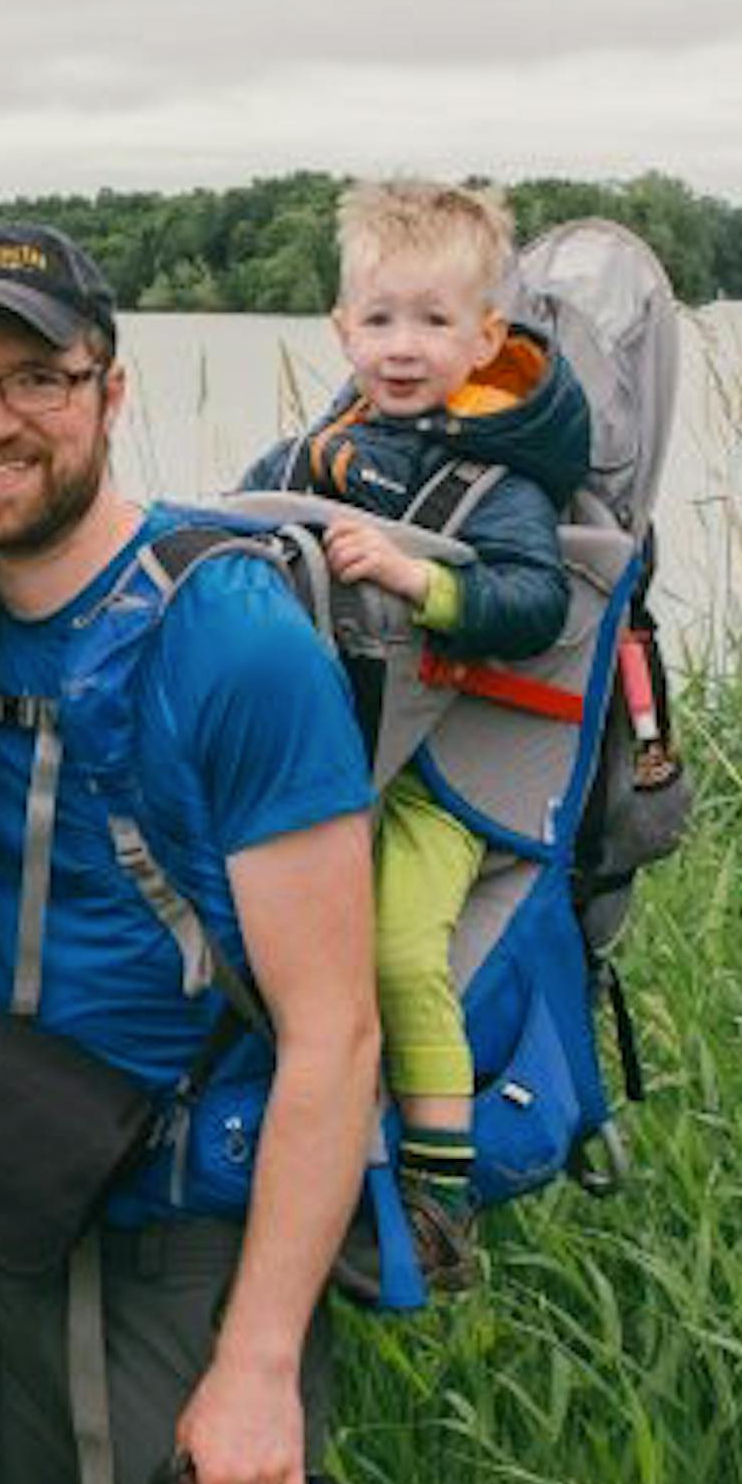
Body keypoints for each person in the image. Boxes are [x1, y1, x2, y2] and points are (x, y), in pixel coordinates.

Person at [0, 221, 381, 1484]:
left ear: (109, 390)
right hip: (0, 1227)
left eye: (37, 374)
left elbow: (335, 1028)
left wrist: (261, 1361)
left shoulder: (228, 634)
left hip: (193, 1253)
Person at [238, 179, 587, 1274]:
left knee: (393, 949)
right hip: (342, 756)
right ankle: (320, 1155)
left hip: (450, 769)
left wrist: (417, 580)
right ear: (343, 328)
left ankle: (441, 1195)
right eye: (380, 319)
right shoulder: (316, 452)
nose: (403, 346)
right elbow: (229, 518)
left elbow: (537, 605)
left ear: (487, 337)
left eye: (435, 322)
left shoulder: (504, 482)